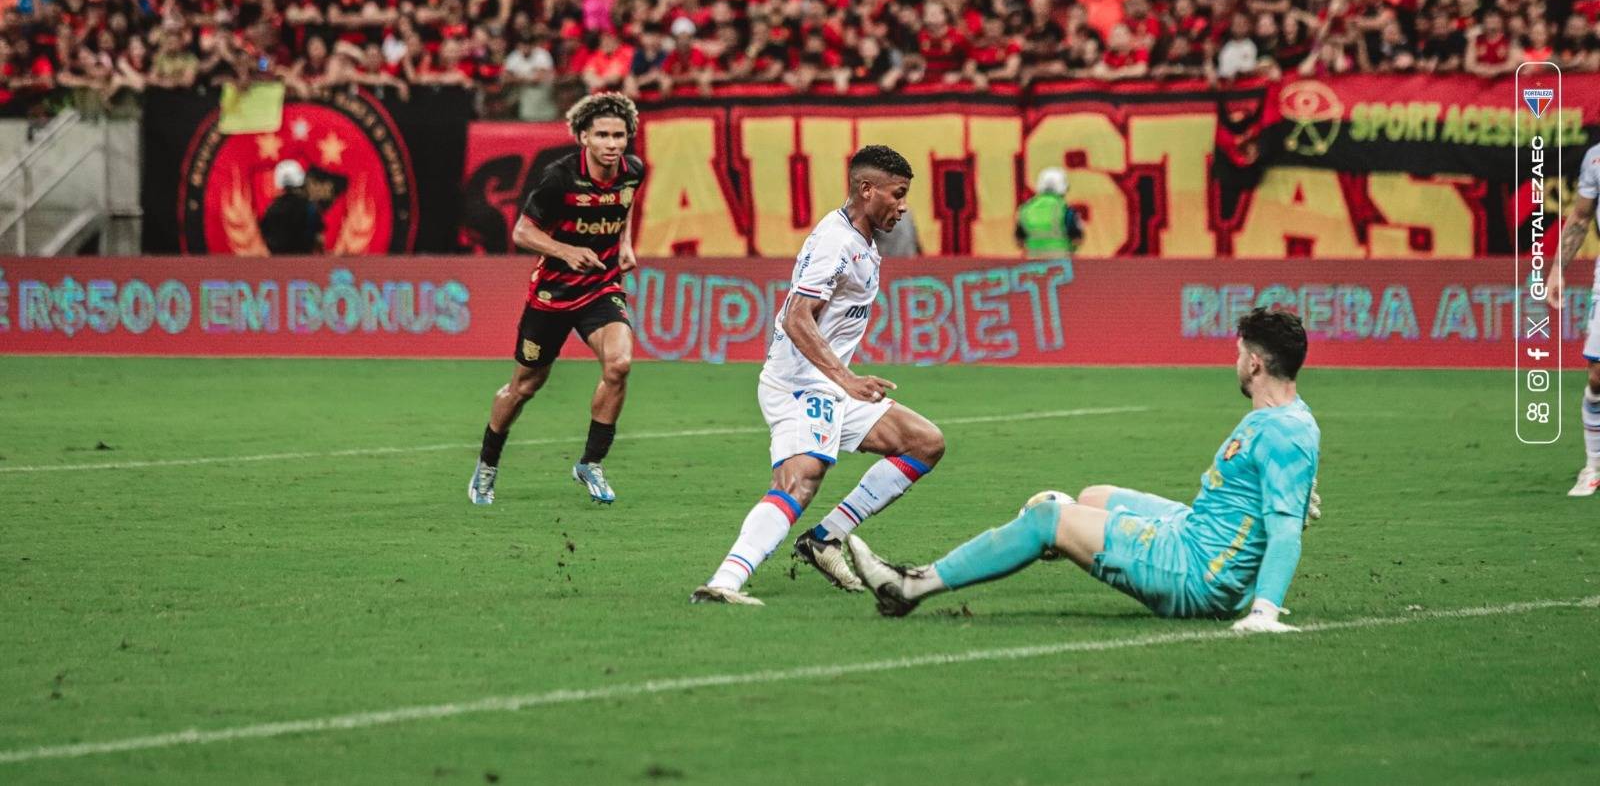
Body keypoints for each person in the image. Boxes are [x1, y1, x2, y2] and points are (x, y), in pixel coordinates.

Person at [847, 307, 1322, 633]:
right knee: (1093, 495)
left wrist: (1262, 611)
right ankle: (1067, 529)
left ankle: (909, 585)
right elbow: (1273, 501)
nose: (1234, 362)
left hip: (1198, 573)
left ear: (1255, 364)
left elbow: (1283, 531)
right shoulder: (1284, 418)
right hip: (1196, 530)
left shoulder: (1283, 433)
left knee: (1047, 518)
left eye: (1239, 355)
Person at [691, 145, 947, 606]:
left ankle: (825, 539)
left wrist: (842, 381)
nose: (904, 206)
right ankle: (725, 582)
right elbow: (796, 316)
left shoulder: (864, 238)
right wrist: (846, 379)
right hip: (800, 385)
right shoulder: (838, 241)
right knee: (801, 479)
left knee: (924, 442)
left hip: (830, 384)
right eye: (898, 194)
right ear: (867, 190)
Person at [468, 92, 646, 506]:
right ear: (584, 137)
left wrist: (625, 243)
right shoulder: (559, 177)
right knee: (524, 386)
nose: (612, 143)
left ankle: (591, 463)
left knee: (619, 364)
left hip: (601, 286)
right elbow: (522, 233)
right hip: (552, 292)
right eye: (602, 135)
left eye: (619, 135)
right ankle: (488, 463)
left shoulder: (632, 170)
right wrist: (566, 252)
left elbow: (624, 203)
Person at [1547, 140, 1600, 497]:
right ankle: (1594, 466)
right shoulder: (1596, 158)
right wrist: (1557, 270)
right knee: (1598, 376)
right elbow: (1581, 217)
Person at [1015, 167, 1083, 259]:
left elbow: (1019, 241)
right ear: (1063, 188)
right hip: (1061, 262)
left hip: (1033, 263)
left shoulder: (1025, 210)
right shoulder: (1065, 210)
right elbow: (1077, 238)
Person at [258, 160, 323, 254]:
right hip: (304, 260)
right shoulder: (310, 207)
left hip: (277, 261)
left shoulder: (272, 208)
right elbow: (318, 238)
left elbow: (265, 234)